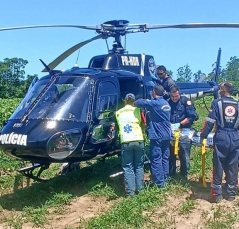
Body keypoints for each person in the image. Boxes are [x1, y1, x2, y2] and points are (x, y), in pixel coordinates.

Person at [200, 82, 239, 203]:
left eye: (221, 89)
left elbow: (210, 122)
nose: (219, 90)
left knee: (218, 165)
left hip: (222, 137)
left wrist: (203, 135)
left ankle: (217, 194)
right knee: (233, 165)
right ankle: (231, 194)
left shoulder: (217, 103)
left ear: (224, 90)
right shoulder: (238, 104)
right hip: (236, 137)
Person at [135, 85, 171, 188]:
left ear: (154, 92)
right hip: (166, 135)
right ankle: (166, 180)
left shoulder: (155, 103)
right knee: (165, 158)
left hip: (157, 135)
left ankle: (159, 183)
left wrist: (142, 99)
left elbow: (138, 103)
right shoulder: (166, 103)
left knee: (156, 158)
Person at [115, 93, 145, 196]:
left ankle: (131, 192)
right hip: (138, 140)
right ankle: (140, 190)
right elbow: (144, 124)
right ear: (134, 101)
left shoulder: (118, 113)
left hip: (126, 141)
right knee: (139, 165)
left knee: (128, 167)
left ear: (124, 100)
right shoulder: (138, 110)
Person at [168, 86, 198, 179]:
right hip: (171, 130)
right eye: (172, 96)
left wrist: (180, 124)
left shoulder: (185, 101)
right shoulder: (167, 102)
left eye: (176, 96)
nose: (174, 98)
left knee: (184, 153)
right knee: (170, 153)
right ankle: (171, 172)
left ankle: (184, 174)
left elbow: (192, 116)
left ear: (179, 94)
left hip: (184, 130)